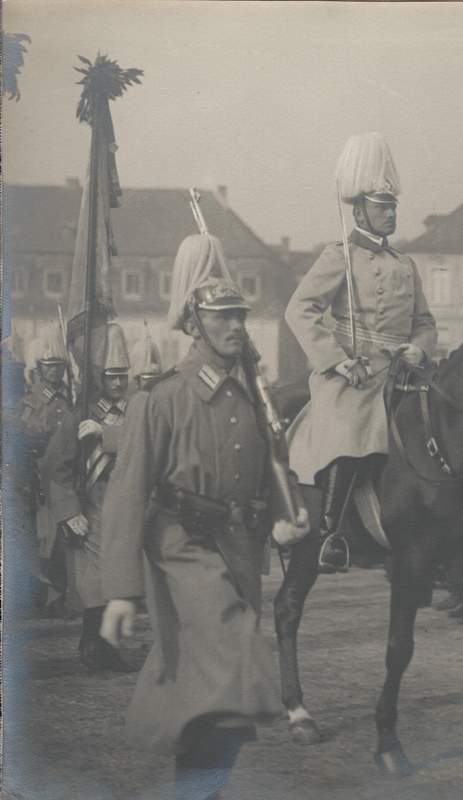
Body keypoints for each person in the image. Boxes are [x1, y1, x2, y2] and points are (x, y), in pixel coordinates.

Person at [99, 234, 310, 800]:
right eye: (221, 317)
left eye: (239, 315)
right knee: (236, 656)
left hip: (238, 548)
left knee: (211, 701)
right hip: (181, 545)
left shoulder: (249, 395)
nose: (236, 326)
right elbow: (126, 494)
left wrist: (281, 515)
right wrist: (119, 592)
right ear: (195, 323)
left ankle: (196, 791)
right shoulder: (161, 399)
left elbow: (268, 462)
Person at [285, 132, 437, 573]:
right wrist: (336, 359)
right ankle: (331, 534)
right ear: (359, 209)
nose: (390, 213)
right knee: (352, 429)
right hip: (352, 375)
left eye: (392, 206)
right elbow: (301, 309)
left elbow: (425, 322)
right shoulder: (339, 257)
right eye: (381, 205)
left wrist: (420, 349)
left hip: (402, 371)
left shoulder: (405, 265)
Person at [44, 322, 137, 671]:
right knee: (95, 582)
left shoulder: (134, 412)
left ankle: (108, 646)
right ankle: (93, 646)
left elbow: (148, 443)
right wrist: (68, 512)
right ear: (100, 376)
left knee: (120, 579)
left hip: (126, 507)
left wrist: (108, 435)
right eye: (112, 376)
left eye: (123, 376)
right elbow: (56, 467)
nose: (118, 383)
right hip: (93, 506)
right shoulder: (79, 415)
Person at [20, 322, 72, 614]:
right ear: (40, 368)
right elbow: (29, 433)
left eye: (59, 366)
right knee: (45, 538)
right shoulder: (33, 400)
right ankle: (45, 596)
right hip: (41, 476)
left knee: (63, 538)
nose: (55, 371)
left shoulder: (69, 397)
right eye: (50, 366)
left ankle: (60, 594)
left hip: (65, 477)